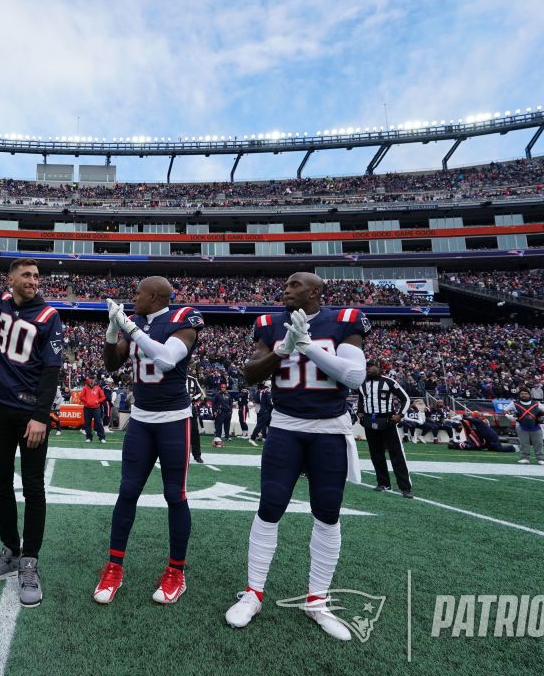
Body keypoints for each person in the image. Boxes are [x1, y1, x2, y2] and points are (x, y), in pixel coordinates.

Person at [225, 272, 369, 641]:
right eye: (285, 284)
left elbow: (354, 376)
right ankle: (254, 592)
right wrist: (282, 349)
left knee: (327, 511)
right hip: (286, 427)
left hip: (328, 430)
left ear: (315, 291)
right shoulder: (271, 324)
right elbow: (250, 374)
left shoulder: (343, 321)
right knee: (270, 506)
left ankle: (317, 600)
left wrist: (307, 346)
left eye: (293, 286)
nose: (284, 290)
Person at [0, 195, 64, 609]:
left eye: (37, 275)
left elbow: (52, 370)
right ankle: (9, 550)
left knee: (34, 487)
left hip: (30, 414)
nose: (33, 280)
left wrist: (41, 414)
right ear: (11, 280)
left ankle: (30, 560)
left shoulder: (49, 315)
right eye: (26, 274)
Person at [93, 281, 204, 606]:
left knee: (175, 494)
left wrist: (129, 326)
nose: (134, 299)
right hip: (141, 419)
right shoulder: (137, 324)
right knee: (127, 491)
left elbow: (168, 359)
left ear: (155, 297)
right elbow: (113, 364)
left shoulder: (185, 319)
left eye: (138, 293)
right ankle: (114, 567)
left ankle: (176, 572)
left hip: (172, 420)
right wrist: (114, 332)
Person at [357, 361, 413, 498]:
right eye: (366, 367)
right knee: (376, 454)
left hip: (387, 421)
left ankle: (405, 487)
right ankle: (383, 483)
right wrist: (360, 412)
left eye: (371, 366)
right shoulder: (361, 384)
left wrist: (400, 415)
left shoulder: (389, 382)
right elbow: (361, 399)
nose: (368, 369)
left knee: (396, 454)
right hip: (370, 422)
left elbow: (405, 398)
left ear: (378, 367)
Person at [511, 388, 544, 465]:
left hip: (535, 426)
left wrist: (543, 418)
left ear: (529, 394)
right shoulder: (514, 403)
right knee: (524, 443)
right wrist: (512, 416)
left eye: (525, 393)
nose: (524, 395)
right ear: (519, 395)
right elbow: (505, 411)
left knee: (538, 443)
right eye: (522, 393)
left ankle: (540, 459)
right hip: (522, 426)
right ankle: (525, 458)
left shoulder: (536, 403)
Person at [79, 376, 108, 443]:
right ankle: (89, 438)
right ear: (88, 381)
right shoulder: (85, 388)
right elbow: (81, 397)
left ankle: (102, 438)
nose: (91, 382)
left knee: (98, 423)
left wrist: (98, 401)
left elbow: (103, 397)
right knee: (87, 423)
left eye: (93, 380)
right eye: (90, 380)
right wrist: (87, 401)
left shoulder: (98, 388)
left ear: (95, 381)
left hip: (96, 408)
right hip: (87, 408)